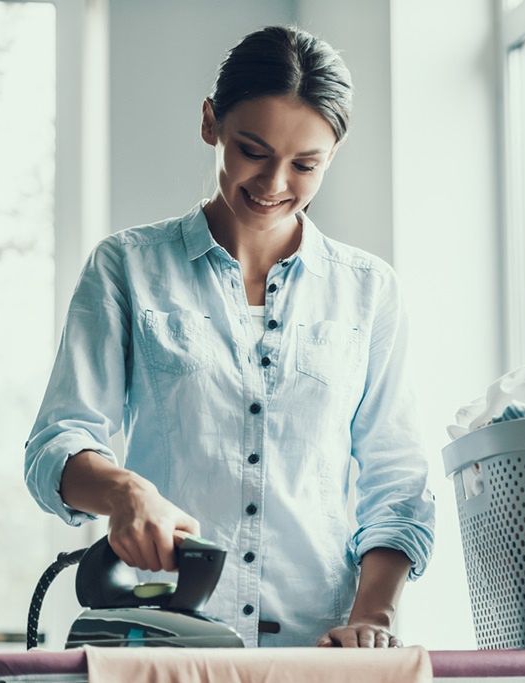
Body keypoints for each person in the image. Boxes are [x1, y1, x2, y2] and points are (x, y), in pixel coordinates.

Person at [24, 25, 435, 649]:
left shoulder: (369, 291)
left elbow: (396, 482)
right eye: (252, 150)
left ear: (333, 156)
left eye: (305, 164)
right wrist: (127, 492)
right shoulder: (126, 268)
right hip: (158, 641)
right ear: (210, 122)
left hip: (315, 651)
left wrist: (373, 618)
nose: (274, 184)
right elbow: (57, 443)